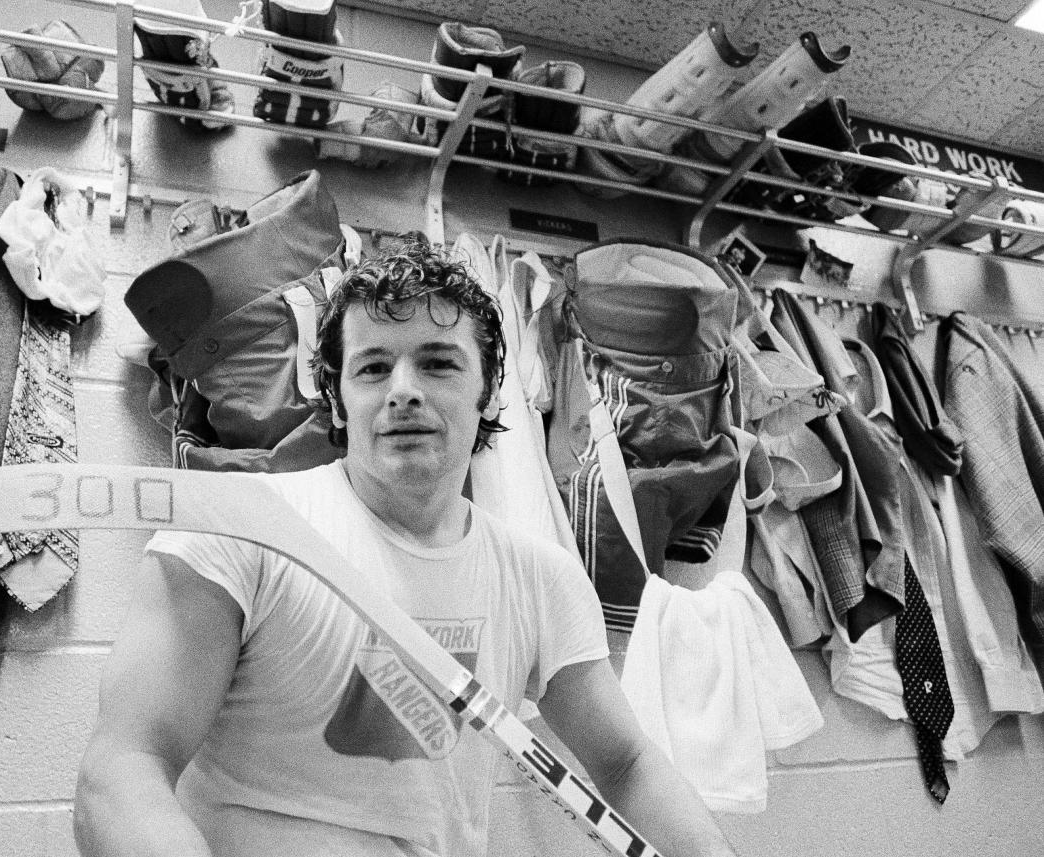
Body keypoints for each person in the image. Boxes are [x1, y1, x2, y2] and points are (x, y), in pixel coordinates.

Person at [73, 241, 739, 857]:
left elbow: (625, 764)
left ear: (486, 391)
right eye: (372, 367)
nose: (403, 388)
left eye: (438, 362)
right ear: (337, 402)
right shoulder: (235, 533)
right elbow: (123, 768)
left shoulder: (542, 579)